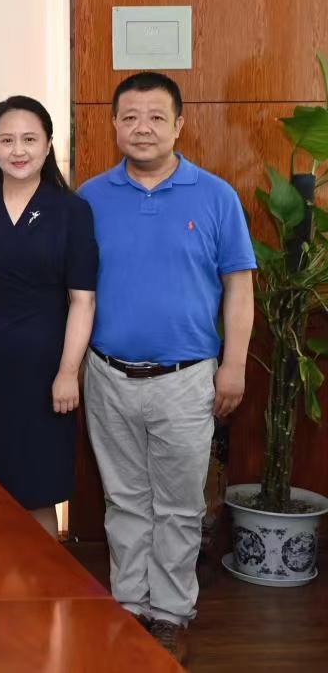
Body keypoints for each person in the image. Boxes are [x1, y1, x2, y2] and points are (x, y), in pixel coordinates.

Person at [78, 72, 255, 663]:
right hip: (107, 374)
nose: (142, 128)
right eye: (129, 117)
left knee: (179, 506)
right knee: (124, 501)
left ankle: (172, 614)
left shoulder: (216, 196)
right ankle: (129, 606)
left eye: (156, 116)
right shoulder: (91, 198)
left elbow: (239, 288)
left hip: (186, 379)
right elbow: (76, 293)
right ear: (114, 125)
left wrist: (233, 365)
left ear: (179, 125)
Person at [0, 96, 97, 535]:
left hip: (47, 374)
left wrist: (68, 373)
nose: (18, 150)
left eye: (29, 140)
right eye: (6, 140)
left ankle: (39, 579)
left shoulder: (72, 211)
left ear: (48, 145)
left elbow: (83, 301)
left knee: (38, 493)